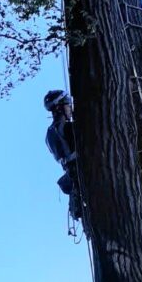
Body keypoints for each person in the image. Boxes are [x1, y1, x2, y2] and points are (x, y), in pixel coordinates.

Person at [44, 90, 90, 236]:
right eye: (67, 104)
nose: (70, 107)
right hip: (85, 176)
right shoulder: (69, 128)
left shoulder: (50, 133)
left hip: (74, 179)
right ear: (59, 108)